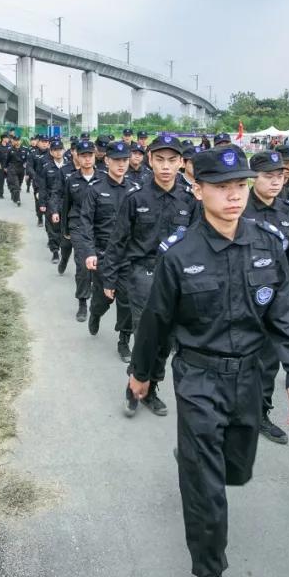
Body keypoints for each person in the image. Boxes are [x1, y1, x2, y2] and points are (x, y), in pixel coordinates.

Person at [129, 145, 289, 577]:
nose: (234, 196)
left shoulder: (267, 244)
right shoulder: (180, 254)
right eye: (222, 187)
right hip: (199, 378)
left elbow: (284, 313)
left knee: (237, 469)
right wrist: (142, 374)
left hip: (249, 376)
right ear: (198, 189)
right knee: (206, 488)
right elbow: (155, 322)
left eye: (240, 186)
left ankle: (195, 458)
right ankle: (210, 572)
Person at [103, 133, 198, 418]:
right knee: (146, 334)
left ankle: (151, 387)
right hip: (141, 274)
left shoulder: (190, 200)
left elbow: (196, 243)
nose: (166, 166)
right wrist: (109, 278)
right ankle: (134, 389)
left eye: (172, 160)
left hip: (176, 278)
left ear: (181, 163)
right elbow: (118, 240)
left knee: (166, 339)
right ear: (150, 160)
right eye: (160, 159)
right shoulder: (136, 197)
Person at [242, 151, 289, 444]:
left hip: (273, 298)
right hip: (239, 298)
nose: (276, 182)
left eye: (280, 176)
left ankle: (261, 414)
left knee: (267, 361)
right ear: (254, 178)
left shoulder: (288, 212)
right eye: (268, 176)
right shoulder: (238, 207)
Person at [77, 141, 136, 360]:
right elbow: (85, 223)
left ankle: (124, 340)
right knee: (104, 299)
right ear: (107, 161)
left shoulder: (135, 189)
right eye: (117, 160)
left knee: (127, 300)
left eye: (125, 160)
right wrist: (89, 252)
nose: (122, 164)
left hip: (128, 256)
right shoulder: (95, 189)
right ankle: (95, 313)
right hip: (104, 255)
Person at [55, 140, 100, 320]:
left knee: (98, 265)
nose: (87, 159)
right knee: (83, 265)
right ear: (77, 157)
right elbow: (66, 205)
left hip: (98, 226)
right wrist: (65, 230)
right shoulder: (72, 179)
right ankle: (82, 302)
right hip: (78, 225)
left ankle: (97, 299)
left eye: (90, 155)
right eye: (83, 156)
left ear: (95, 157)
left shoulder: (103, 178)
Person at [37, 138, 73, 264]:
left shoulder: (70, 167)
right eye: (55, 150)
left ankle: (64, 251)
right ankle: (55, 251)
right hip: (51, 202)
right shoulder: (47, 168)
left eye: (60, 149)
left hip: (67, 203)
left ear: (64, 150)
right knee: (53, 228)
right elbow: (42, 187)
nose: (58, 152)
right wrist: (42, 203)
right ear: (51, 152)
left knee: (66, 230)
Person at [6, 135, 28, 206]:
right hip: (13, 168)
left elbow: (27, 160)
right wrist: (5, 167)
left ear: (20, 141)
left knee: (19, 184)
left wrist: (26, 165)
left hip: (21, 169)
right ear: (13, 141)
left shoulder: (25, 149)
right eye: (15, 140)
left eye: (18, 140)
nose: (17, 142)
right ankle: (18, 199)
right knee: (16, 185)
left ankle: (14, 194)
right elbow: (7, 160)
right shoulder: (10, 150)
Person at [0, 133, 12, 199]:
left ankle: (13, 192)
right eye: (7, 138)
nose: (8, 139)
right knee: (1, 180)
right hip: (1, 165)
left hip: (9, 165)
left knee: (11, 179)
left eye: (8, 138)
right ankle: (1, 193)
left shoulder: (10, 146)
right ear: (3, 139)